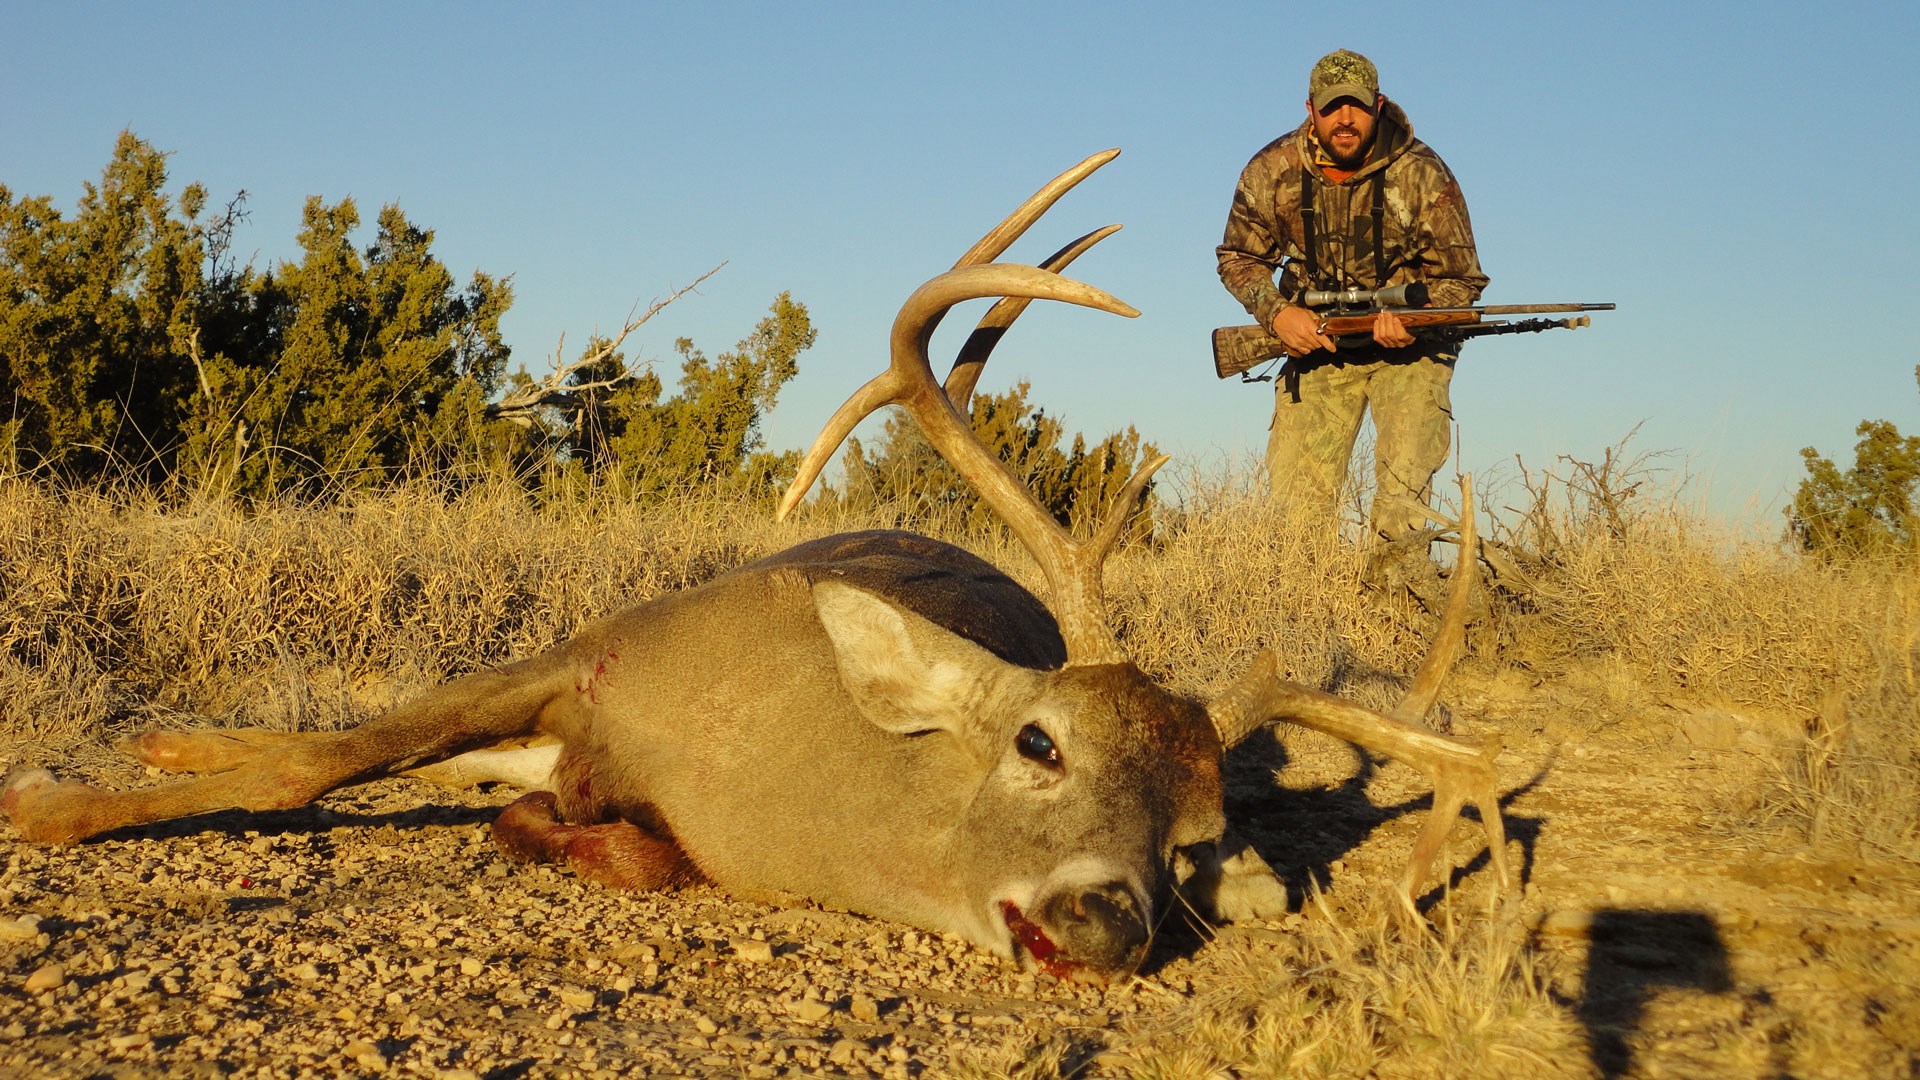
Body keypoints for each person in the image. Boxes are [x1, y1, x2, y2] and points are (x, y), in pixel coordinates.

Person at [1217, 49, 1488, 553]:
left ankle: (1397, 618)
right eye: (1332, 106)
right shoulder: (1270, 169)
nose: (1345, 119)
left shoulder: (1424, 173)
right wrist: (1279, 316)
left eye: (1358, 107)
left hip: (1411, 351)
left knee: (1402, 511)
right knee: (1296, 515)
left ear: (1379, 105)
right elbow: (1237, 257)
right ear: (1310, 108)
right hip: (1316, 344)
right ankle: (1303, 618)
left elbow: (1463, 281)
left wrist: (1415, 319)